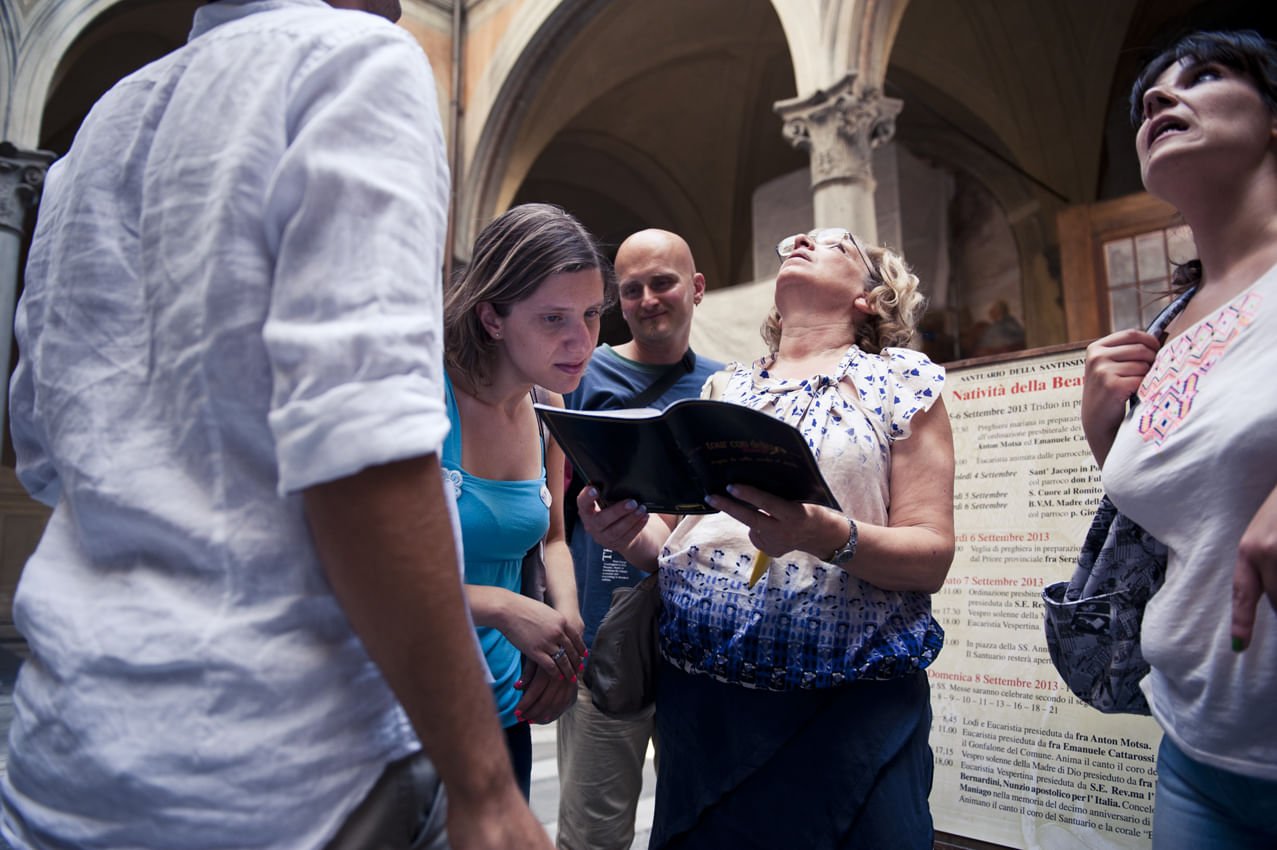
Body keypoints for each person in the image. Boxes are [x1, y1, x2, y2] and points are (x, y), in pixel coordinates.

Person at [2, 2, 551, 848]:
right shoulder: (353, 58)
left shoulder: (97, 134)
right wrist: (486, 786)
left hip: (66, 756)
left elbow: (43, 447)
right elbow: (364, 456)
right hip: (293, 775)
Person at [577, 226, 955, 849]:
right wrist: (621, 532)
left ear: (869, 296)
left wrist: (824, 534)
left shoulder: (905, 381)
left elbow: (932, 556)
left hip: (844, 710)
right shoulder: (725, 388)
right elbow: (668, 546)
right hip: (704, 707)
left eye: (835, 245)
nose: (803, 239)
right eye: (798, 240)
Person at [1080, 29, 1277, 848]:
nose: (1162, 97)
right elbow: (1188, 520)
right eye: (1149, 96)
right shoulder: (1164, 332)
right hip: (1196, 750)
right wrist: (1104, 436)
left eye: (1203, 76)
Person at [555, 229, 723, 850]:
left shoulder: (725, 387)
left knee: (700, 825)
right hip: (604, 639)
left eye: (663, 282)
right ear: (616, 302)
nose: (648, 299)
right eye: (631, 290)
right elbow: (546, 515)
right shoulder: (580, 374)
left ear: (696, 288)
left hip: (700, 647)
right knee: (592, 835)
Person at [443, 202, 610, 798]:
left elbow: (554, 538)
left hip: (503, 695)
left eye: (591, 314)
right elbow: (356, 576)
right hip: (410, 700)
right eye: (552, 319)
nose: (582, 340)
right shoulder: (423, 396)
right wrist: (507, 608)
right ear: (492, 318)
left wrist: (567, 631)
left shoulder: (550, 407)